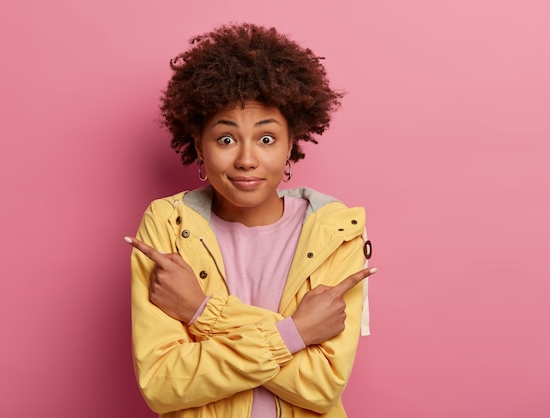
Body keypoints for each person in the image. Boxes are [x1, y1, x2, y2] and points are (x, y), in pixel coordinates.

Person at [125, 23, 376, 418]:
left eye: (266, 138)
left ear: (291, 143)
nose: (246, 158)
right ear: (198, 145)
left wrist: (200, 311)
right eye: (226, 139)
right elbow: (161, 383)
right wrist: (295, 334)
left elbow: (322, 386)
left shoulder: (336, 230)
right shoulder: (166, 226)